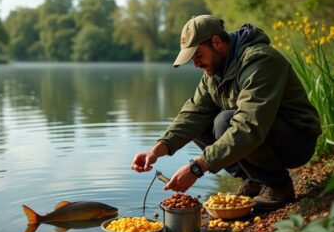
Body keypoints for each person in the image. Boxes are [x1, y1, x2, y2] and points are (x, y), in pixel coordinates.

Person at [131, 15, 322, 211]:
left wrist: (197, 167)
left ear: (216, 42)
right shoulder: (214, 72)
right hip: (265, 135)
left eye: (198, 55)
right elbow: (193, 114)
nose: (196, 64)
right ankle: (254, 180)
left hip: (297, 140)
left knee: (224, 122)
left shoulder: (260, 60)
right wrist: (156, 150)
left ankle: (278, 185)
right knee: (201, 124)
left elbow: (248, 126)